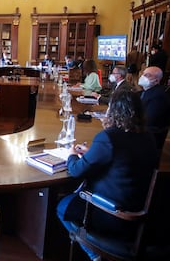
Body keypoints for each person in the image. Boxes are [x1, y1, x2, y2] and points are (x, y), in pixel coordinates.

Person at [57, 90, 157, 261]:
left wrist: (72, 154)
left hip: (114, 214)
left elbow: (75, 170)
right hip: (140, 210)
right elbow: (123, 160)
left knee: (62, 207)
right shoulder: (148, 137)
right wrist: (93, 153)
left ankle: (94, 255)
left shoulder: (108, 137)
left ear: (114, 111)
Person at [138, 66, 170, 165]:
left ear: (156, 80)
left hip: (147, 138)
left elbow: (149, 120)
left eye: (147, 75)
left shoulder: (158, 96)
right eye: (143, 74)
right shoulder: (145, 92)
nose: (143, 77)